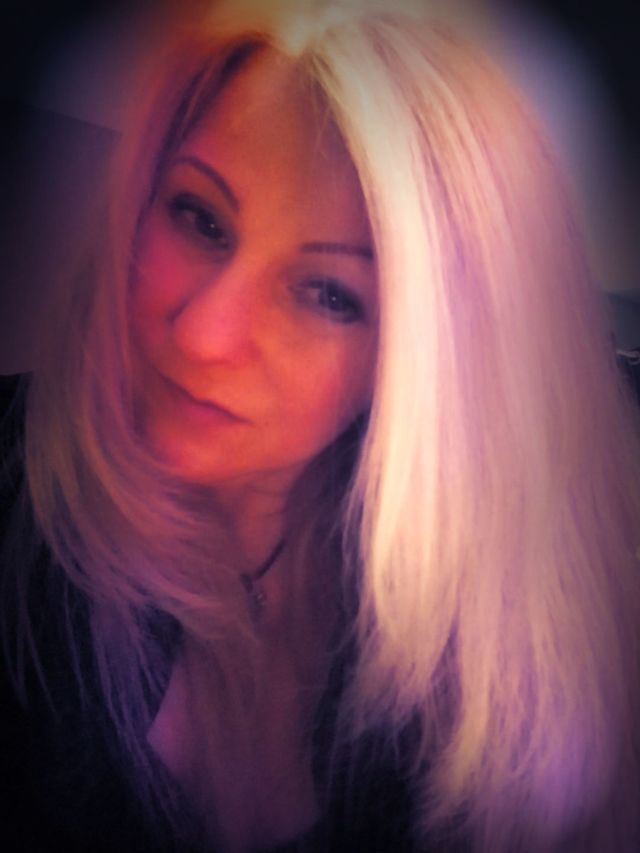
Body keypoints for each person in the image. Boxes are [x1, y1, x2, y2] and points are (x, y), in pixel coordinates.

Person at [1, 1, 639, 851]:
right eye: (200, 217)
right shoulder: (19, 488)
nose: (202, 333)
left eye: (330, 295)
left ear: (423, 369)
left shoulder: (497, 664)